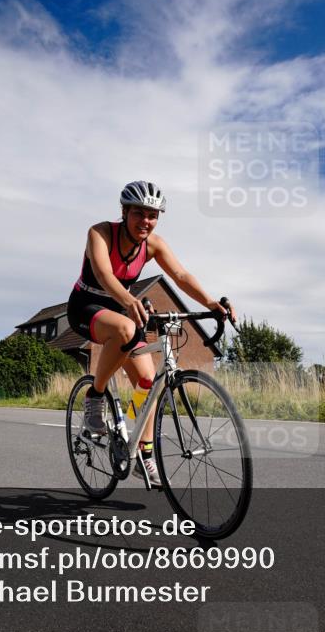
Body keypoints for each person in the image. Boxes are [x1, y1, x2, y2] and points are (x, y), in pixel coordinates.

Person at [67, 180, 235, 487]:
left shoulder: (153, 245)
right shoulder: (100, 233)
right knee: (125, 328)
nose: (146, 221)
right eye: (139, 213)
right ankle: (95, 395)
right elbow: (104, 274)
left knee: (148, 382)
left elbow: (180, 275)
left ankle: (143, 451)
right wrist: (129, 300)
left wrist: (210, 303)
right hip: (86, 307)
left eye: (153, 215)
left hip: (122, 311)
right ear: (124, 212)